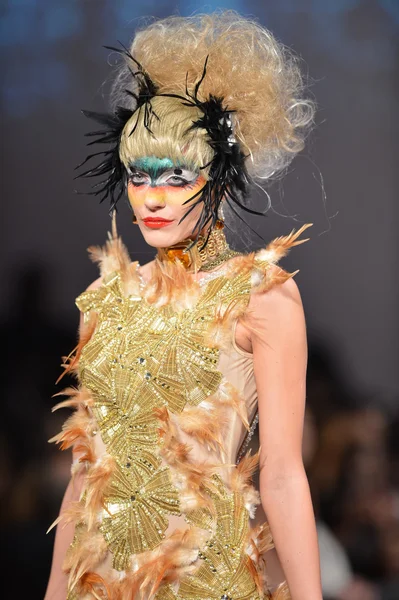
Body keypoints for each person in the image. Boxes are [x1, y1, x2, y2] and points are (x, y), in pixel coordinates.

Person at [44, 11, 322, 600]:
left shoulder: (261, 299)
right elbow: (86, 469)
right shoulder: (103, 299)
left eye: (176, 175)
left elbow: (282, 475)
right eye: (138, 175)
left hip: (206, 581)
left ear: (219, 178)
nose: (152, 197)